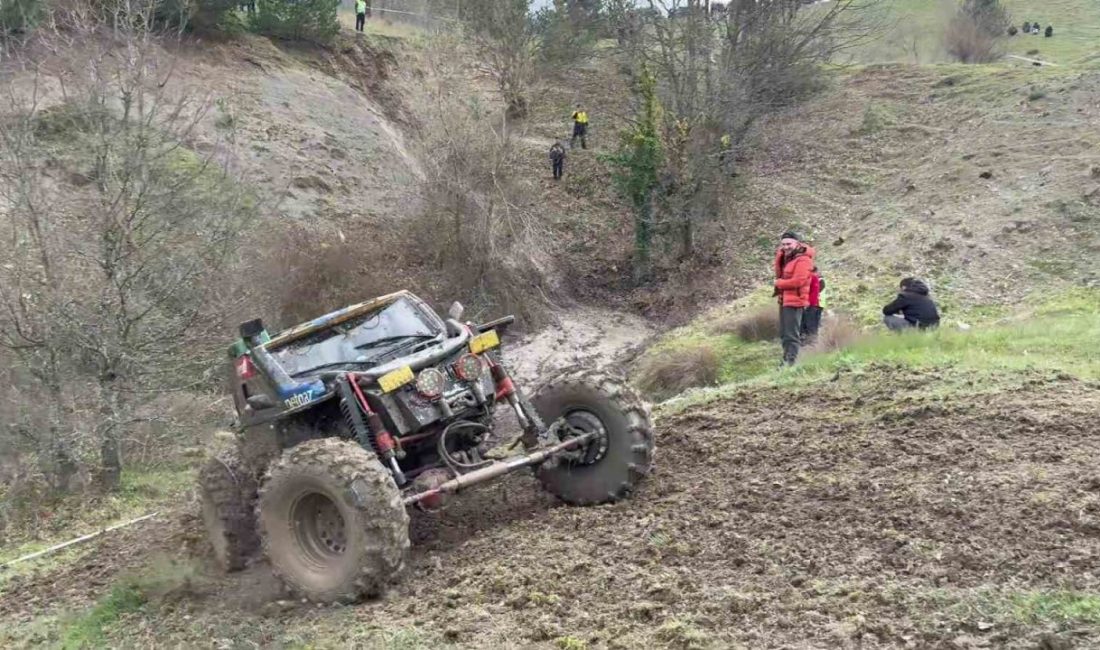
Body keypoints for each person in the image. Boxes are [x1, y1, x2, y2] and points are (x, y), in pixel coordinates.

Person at [773, 231, 814, 366]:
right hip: (785, 299)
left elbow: (798, 281)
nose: (786, 247)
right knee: (785, 334)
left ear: (797, 243)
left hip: (796, 301)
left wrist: (779, 283)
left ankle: (790, 362)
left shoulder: (803, 260)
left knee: (791, 335)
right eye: (783, 244)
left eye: (788, 244)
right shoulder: (787, 258)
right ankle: (786, 360)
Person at [801, 266, 825, 344]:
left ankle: (811, 340)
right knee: (812, 322)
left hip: (816, 304)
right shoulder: (817, 279)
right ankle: (811, 339)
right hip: (816, 304)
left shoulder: (819, 280)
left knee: (811, 322)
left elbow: (815, 292)